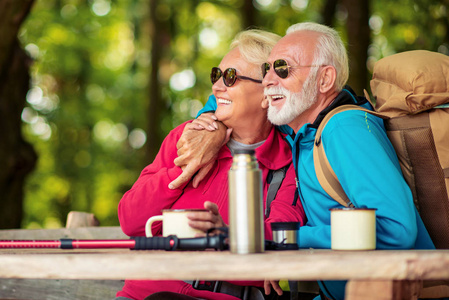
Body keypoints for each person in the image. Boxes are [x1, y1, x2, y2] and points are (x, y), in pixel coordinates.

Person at [171, 22, 435, 300]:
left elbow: (397, 231)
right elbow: (232, 101)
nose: (268, 81)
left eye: (283, 69)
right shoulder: (301, 131)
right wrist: (211, 121)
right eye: (267, 69)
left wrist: (285, 238)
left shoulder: (344, 129)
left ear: (324, 80)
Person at [116, 29, 306, 300]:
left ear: (268, 93)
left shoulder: (288, 164)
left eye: (230, 78)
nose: (217, 87)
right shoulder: (186, 138)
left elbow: (281, 240)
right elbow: (131, 220)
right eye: (217, 75)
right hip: (147, 293)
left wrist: (228, 235)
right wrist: (185, 167)